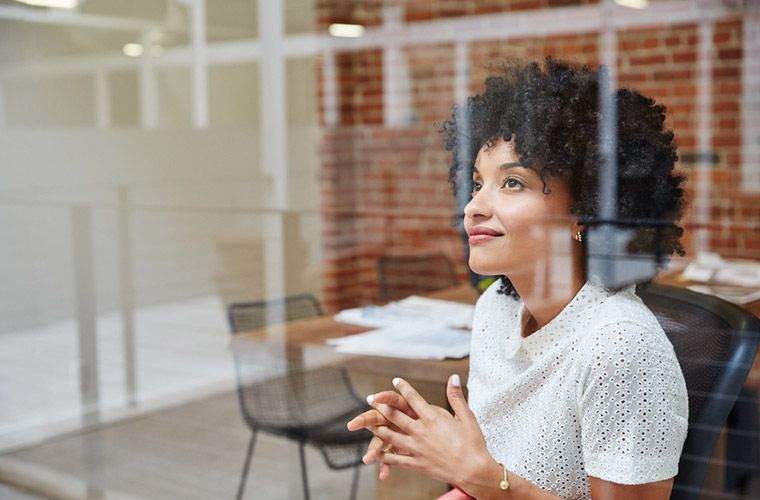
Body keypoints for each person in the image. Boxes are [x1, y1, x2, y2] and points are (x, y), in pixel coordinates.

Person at [346, 55, 690, 499]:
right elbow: (494, 462)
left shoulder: (619, 346)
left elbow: (488, 479)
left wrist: (480, 476)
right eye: (477, 183)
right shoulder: (497, 308)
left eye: (512, 183)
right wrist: (429, 438)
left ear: (586, 211)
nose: (474, 207)